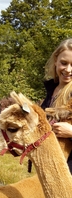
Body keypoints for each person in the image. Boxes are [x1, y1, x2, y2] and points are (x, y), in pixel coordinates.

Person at [41, 38, 72, 173]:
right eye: (64, 63)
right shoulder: (52, 89)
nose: (68, 70)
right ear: (56, 60)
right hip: (52, 165)